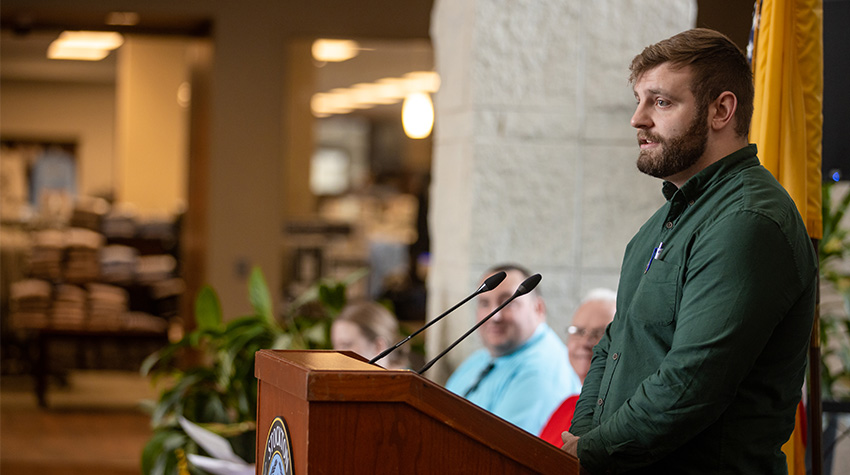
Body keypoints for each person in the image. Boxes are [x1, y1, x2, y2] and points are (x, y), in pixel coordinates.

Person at [563, 29, 818, 474]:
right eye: (639, 100)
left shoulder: (747, 220)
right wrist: (584, 437)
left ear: (721, 109)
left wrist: (590, 450)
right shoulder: (663, 223)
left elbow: (691, 383)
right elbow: (612, 346)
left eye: (661, 102)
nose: (637, 119)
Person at [445, 264, 581, 434]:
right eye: (484, 303)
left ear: (538, 308)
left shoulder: (542, 370)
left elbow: (497, 449)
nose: (494, 316)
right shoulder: (482, 358)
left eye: (507, 303)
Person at [538, 288, 616, 446]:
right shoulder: (567, 406)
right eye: (579, 331)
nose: (585, 342)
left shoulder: (622, 415)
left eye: (600, 333)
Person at [331, 300, 408, 369]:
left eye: (346, 345)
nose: (336, 355)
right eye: (334, 346)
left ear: (378, 346)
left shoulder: (411, 384)